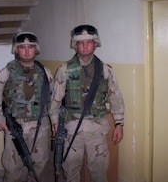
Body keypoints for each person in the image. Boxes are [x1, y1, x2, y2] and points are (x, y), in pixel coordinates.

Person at [49, 24, 125, 182]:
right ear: (75, 45)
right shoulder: (64, 70)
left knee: (99, 172)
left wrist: (119, 123)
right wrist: (55, 122)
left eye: (89, 42)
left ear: (95, 44)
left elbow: (115, 97)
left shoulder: (105, 70)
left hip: (97, 131)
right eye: (80, 42)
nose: (84, 46)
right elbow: (56, 99)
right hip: (71, 129)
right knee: (71, 171)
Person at [0, 31, 54, 182]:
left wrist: (54, 121)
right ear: (16, 50)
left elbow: (53, 100)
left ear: (36, 49)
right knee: (13, 167)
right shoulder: (7, 72)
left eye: (30, 47)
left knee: (40, 164)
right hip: (16, 125)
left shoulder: (45, 73)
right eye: (22, 47)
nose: (26, 50)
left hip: (40, 126)